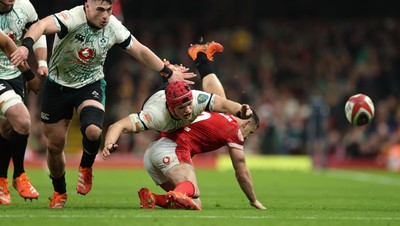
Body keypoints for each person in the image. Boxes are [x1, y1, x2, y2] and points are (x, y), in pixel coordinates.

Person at [10, 0, 194, 208]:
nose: (105, 16)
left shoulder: (114, 26)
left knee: (93, 131)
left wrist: (168, 73)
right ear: (87, 6)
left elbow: (140, 50)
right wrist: (26, 46)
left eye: (108, 10)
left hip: (91, 84)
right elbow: (40, 25)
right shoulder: (71, 18)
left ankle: (86, 168)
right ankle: (59, 192)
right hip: (58, 86)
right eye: (100, 10)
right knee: (54, 146)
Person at [102, 40, 262, 210]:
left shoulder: (200, 103)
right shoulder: (157, 115)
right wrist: (253, 200)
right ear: (246, 125)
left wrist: (239, 110)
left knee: (193, 200)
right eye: (250, 132)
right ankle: (171, 73)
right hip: (170, 148)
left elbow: (223, 102)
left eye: (187, 105)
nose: (246, 136)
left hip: (154, 153)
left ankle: (154, 198)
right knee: (190, 188)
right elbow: (241, 171)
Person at [0, 0, 47, 205]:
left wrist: (42, 63)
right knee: (23, 120)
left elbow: (36, 31)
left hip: (14, 75)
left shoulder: (24, 6)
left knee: (7, 128)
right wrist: (30, 76)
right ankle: (19, 174)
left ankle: (1, 180)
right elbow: (6, 43)